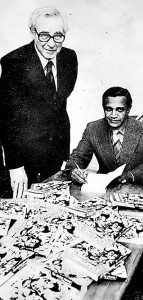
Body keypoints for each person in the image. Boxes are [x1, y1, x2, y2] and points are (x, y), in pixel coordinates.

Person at [0, 7, 78, 198]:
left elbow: (58, 105)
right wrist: (15, 166)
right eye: (44, 35)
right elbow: (7, 119)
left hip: (55, 153)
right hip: (23, 157)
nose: (52, 43)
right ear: (33, 32)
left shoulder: (69, 58)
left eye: (58, 36)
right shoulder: (14, 63)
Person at [65, 86, 143, 188]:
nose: (113, 115)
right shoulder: (93, 128)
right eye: (109, 109)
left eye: (120, 110)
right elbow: (78, 156)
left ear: (128, 109)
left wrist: (128, 176)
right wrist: (73, 171)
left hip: (139, 187)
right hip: (107, 188)